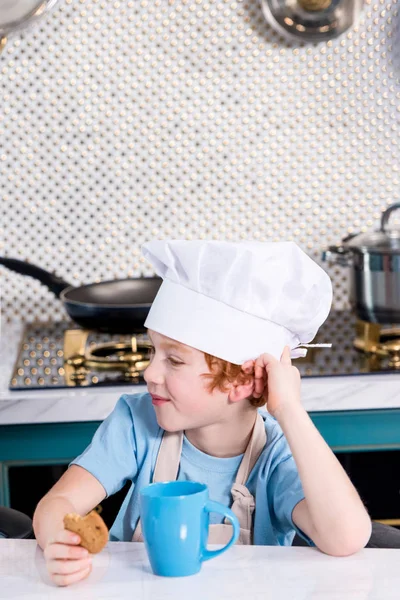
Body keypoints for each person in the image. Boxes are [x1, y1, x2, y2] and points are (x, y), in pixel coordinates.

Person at [33, 240, 372, 587]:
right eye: (153, 350)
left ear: (240, 381)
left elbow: (345, 538)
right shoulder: (136, 422)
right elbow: (58, 503)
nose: (149, 372)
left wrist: (290, 410)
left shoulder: (277, 457)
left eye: (174, 360)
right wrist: (59, 540)